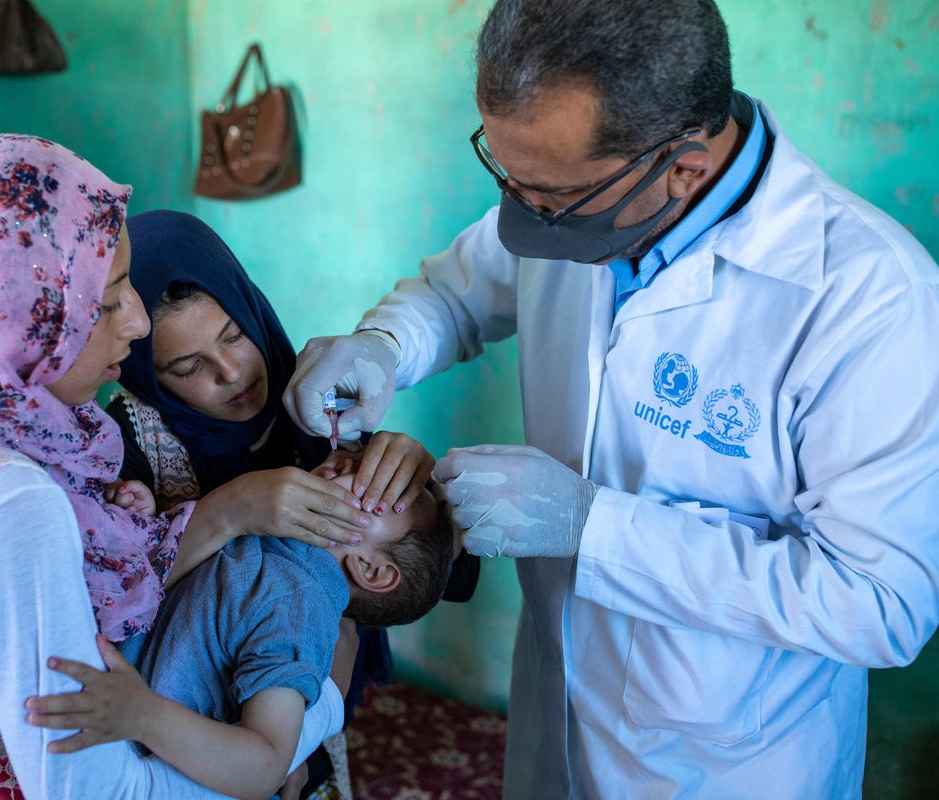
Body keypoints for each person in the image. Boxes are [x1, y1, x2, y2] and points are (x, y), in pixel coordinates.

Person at [282, 0, 939, 797]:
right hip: (553, 704)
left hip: (722, 761)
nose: (524, 213)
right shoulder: (574, 185)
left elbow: (879, 603)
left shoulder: (869, 301)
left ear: (683, 169)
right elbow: (460, 289)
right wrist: (383, 345)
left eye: (550, 199)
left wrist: (596, 528)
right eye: (507, 178)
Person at [0, 134, 347, 799]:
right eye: (103, 303)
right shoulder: (10, 501)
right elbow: (90, 789)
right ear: (4, 317)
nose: (134, 324)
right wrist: (315, 713)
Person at [102, 209, 480, 799]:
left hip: (300, 708)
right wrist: (229, 511)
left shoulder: (316, 394)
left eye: (234, 335)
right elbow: (100, 597)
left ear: (252, 306)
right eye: (188, 366)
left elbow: (429, 573)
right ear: (146, 374)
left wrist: (422, 479)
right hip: (185, 738)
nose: (232, 373)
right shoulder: (113, 445)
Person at [25, 450, 457, 800]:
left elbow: (266, 763)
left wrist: (143, 715)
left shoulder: (297, 604)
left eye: (376, 489)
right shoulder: (265, 543)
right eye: (360, 456)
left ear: (371, 569)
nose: (351, 462)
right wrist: (141, 523)